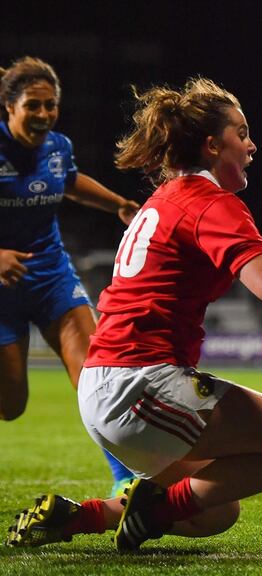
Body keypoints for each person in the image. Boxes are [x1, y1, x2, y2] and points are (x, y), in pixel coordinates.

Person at [5, 76, 262, 550]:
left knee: (215, 510)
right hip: (139, 386)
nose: (252, 145)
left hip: (109, 387)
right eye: (241, 133)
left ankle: (80, 516)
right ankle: (154, 507)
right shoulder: (209, 204)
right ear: (212, 145)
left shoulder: (171, 199)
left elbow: (261, 258)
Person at [1, 56, 141, 496]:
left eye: (50, 106)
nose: (43, 115)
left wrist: (118, 203)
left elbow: (71, 181)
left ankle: (127, 482)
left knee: (96, 378)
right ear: (9, 106)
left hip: (51, 278)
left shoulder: (58, 146)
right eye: (33, 106)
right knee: (10, 406)